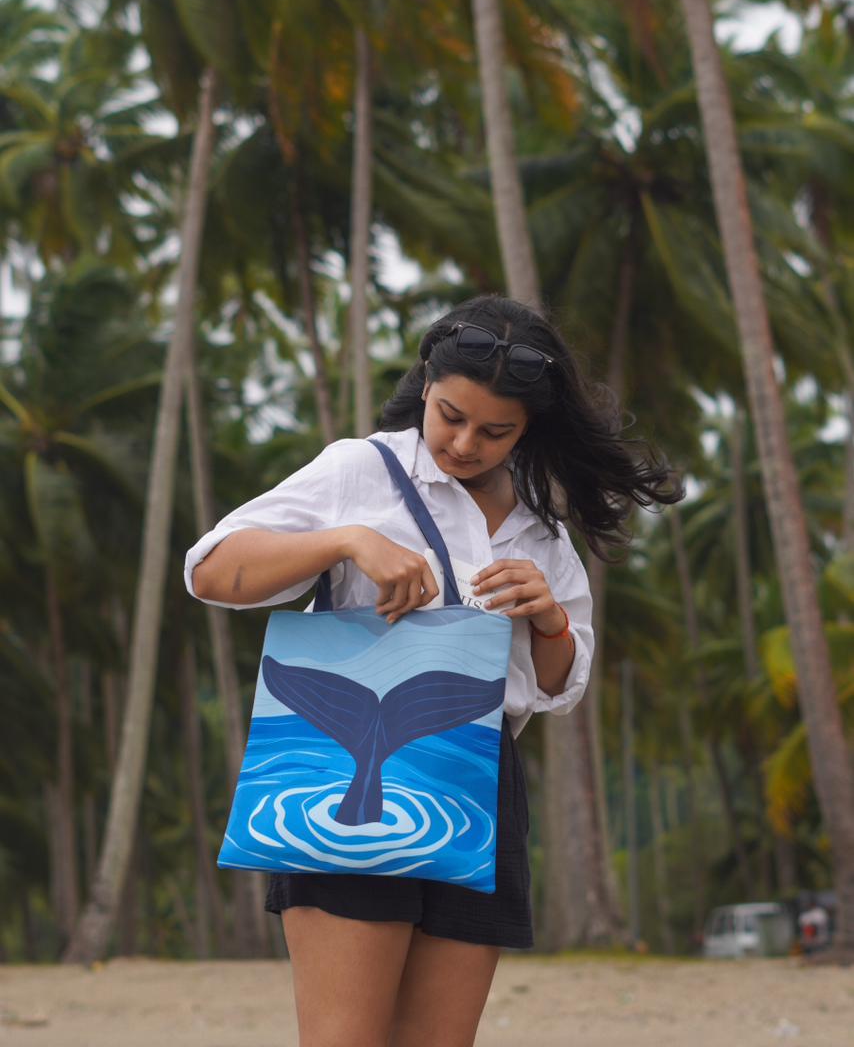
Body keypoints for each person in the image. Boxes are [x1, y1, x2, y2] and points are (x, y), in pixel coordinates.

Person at [185, 294, 677, 1047]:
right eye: (449, 415)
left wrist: (547, 617)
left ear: (529, 427)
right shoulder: (361, 470)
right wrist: (345, 541)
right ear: (425, 385)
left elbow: (557, 686)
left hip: (480, 782)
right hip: (343, 770)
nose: (464, 442)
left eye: (495, 430)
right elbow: (213, 571)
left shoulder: (540, 527)